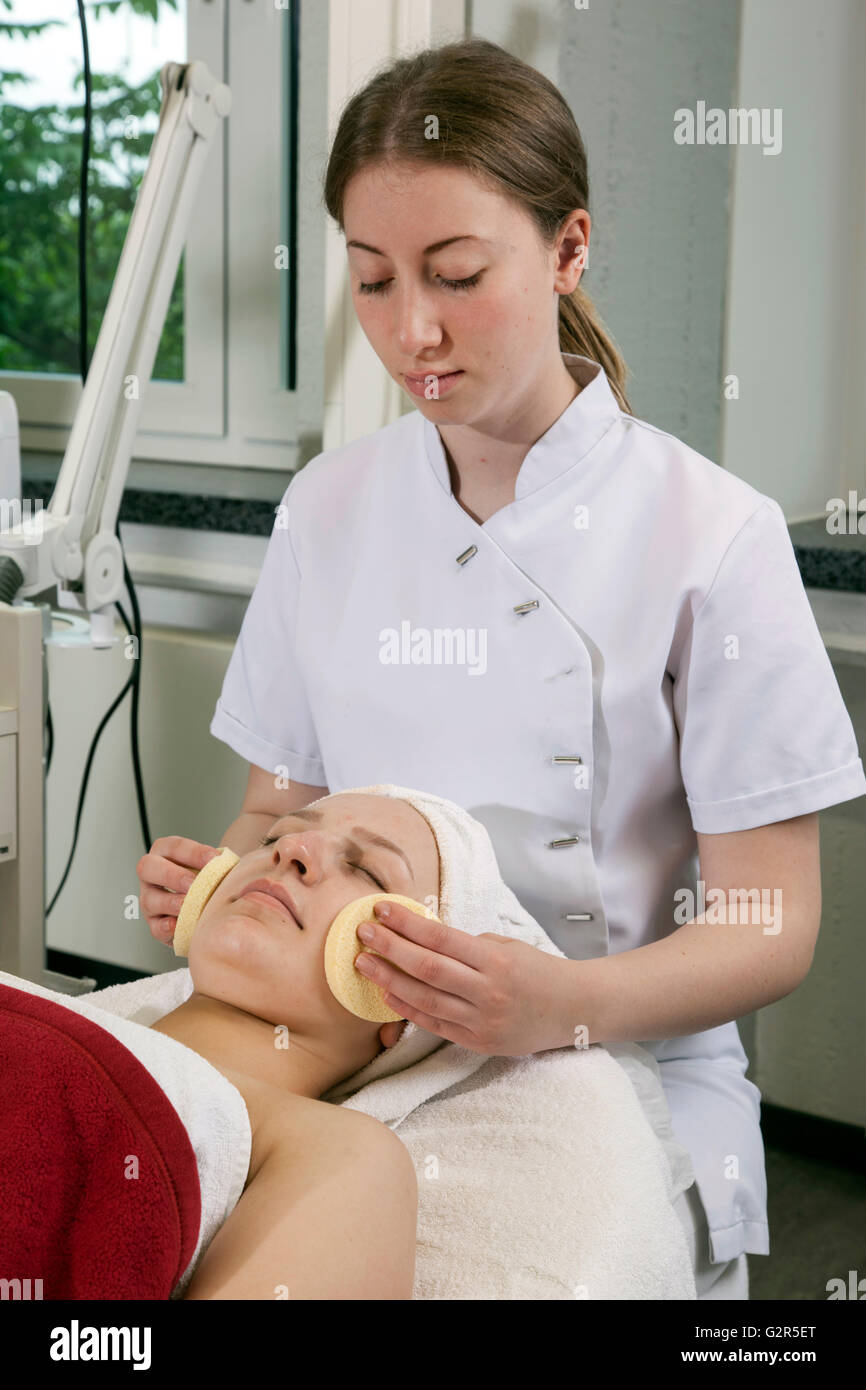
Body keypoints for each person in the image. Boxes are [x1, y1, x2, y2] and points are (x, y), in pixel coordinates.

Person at [138, 37, 866, 1300]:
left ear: (568, 249)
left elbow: (771, 919)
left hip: (614, 1064)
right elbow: (275, 804)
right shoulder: (329, 509)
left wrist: (559, 1003)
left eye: (456, 275)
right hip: (359, 1053)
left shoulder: (710, 536)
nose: (410, 330)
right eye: (371, 282)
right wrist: (222, 880)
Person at [152, 790, 439, 1299]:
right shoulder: (43, 1007)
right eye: (275, 836)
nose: (293, 849)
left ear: (406, 1007)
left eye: (369, 873)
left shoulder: (347, 1158)